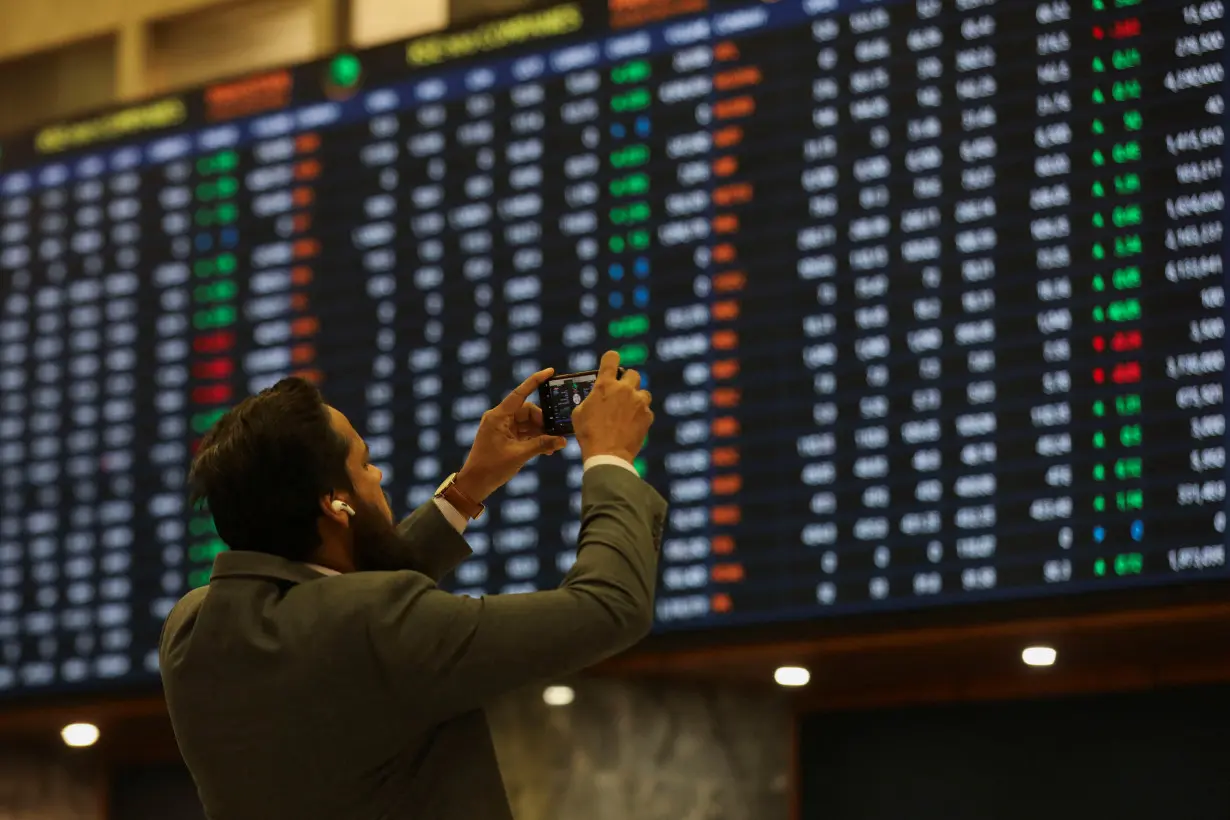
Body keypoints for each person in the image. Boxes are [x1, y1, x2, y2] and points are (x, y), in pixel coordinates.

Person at [158, 350, 664, 820]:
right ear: (336, 505)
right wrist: (610, 458)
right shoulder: (374, 626)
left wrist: (469, 487)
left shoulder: (191, 629)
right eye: (364, 464)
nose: (377, 477)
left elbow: (332, 608)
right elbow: (609, 605)